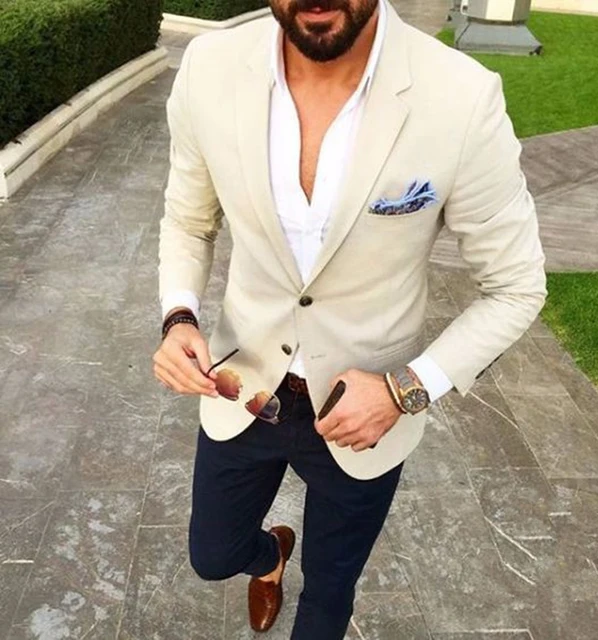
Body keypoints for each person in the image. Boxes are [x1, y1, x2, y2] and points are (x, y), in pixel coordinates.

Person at [153, 0, 547, 638]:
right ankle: (270, 555)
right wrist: (179, 316)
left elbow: (516, 287)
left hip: (368, 413)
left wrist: (405, 390)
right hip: (244, 386)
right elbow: (188, 220)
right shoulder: (209, 68)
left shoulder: (461, 96)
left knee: (330, 595)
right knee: (213, 555)